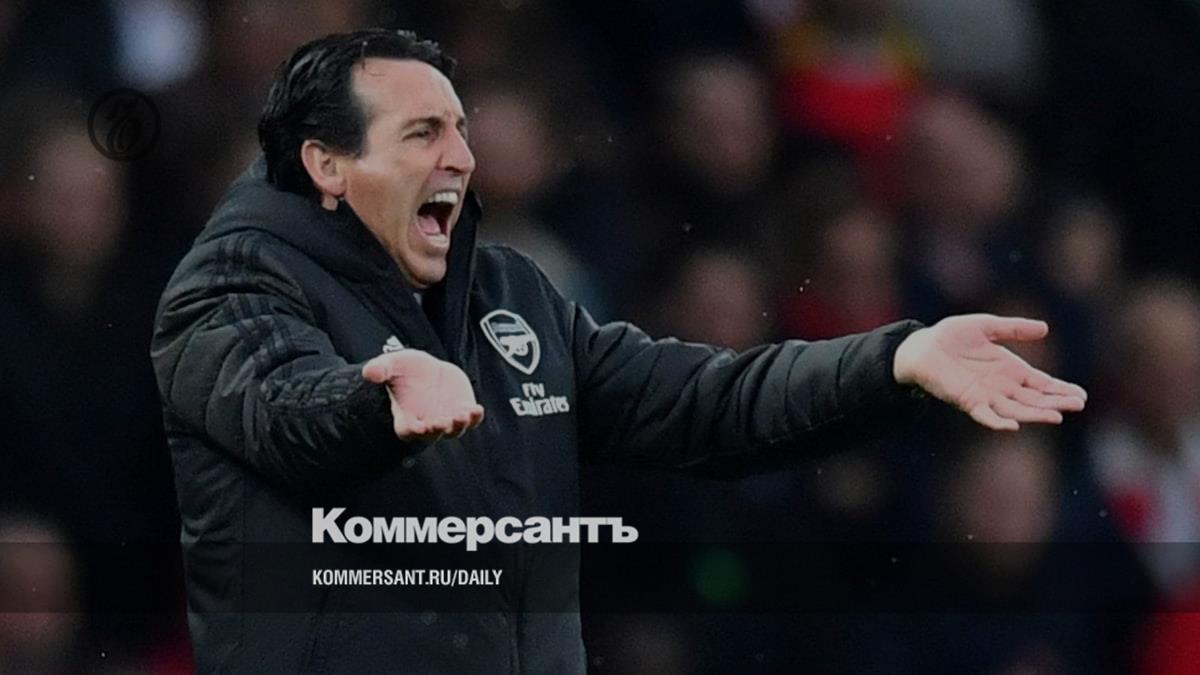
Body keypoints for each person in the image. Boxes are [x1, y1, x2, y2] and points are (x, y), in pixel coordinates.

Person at [150, 28, 1087, 674]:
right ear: (326, 163)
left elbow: (706, 398)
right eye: (423, 133)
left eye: (462, 131)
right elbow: (281, 409)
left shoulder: (509, 293)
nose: (463, 158)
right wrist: (376, 402)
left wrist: (892, 362)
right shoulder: (229, 291)